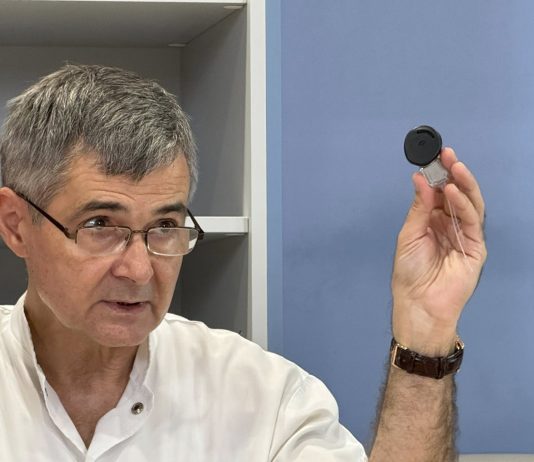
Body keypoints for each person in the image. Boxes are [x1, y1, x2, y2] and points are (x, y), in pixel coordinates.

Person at [0, 64, 486, 461]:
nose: (140, 270)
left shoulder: (264, 399)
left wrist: (425, 333)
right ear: (16, 224)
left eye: (165, 225)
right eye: (100, 225)